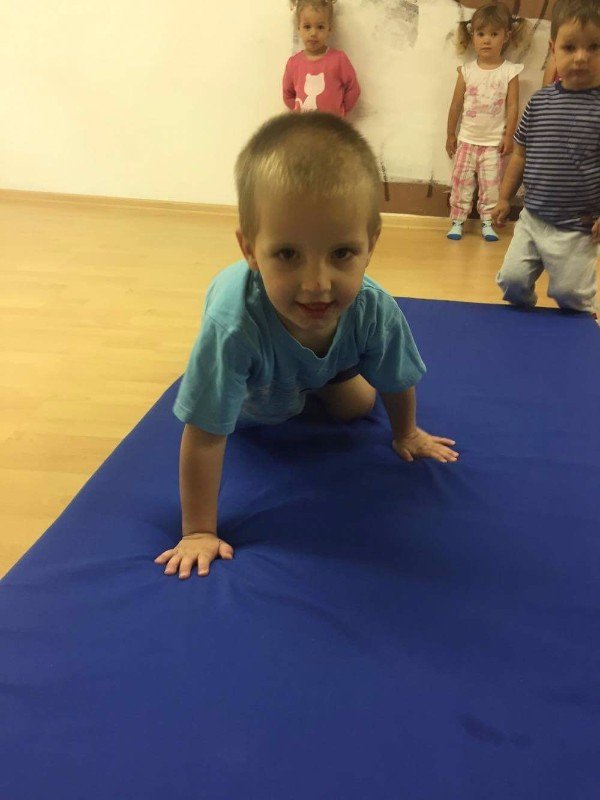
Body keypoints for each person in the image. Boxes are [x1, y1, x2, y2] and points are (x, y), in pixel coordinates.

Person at [155, 112, 459, 580]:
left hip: (321, 366)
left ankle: (318, 377)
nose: (317, 284)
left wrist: (407, 433)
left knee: (358, 405)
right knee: (266, 413)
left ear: (370, 245)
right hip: (258, 386)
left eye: (341, 253)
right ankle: (298, 380)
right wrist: (198, 531)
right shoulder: (233, 326)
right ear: (250, 250)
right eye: (287, 254)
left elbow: (397, 379)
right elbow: (205, 433)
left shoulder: (373, 308)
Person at [492, 0, 600, 314]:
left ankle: (582, 326)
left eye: (594, 47)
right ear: (553, 50)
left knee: (570, 295)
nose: (581, 57)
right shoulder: (539, 103)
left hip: (577, 227)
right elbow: (519, 155)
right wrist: (504, 198)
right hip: (532, 219)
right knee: (511, 282)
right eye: (570, 47)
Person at [445, 1, 530, 242]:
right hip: (466, 140)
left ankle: (487, 222)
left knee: (491, 186)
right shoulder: (466, 71)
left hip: (493, 144)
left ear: (506, 36)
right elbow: (455, 105)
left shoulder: (510, 72)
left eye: (494, 34)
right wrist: (450, 134)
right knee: (461, 182)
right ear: (472, 36)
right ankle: (458, 220)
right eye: (481, 34)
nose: (487, 40)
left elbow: (512, 106)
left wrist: (509, 136)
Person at [283, 0, 360, 116]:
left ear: (329, 29)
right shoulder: (293, 63)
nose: (313, 33)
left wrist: (342, 110)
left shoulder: (339, 59)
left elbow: (353, 89)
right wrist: (298, 112)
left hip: (333, 124)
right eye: (307, 26)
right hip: (305, 124)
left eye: (320, 27)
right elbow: (287, 94)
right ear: (299, 27)